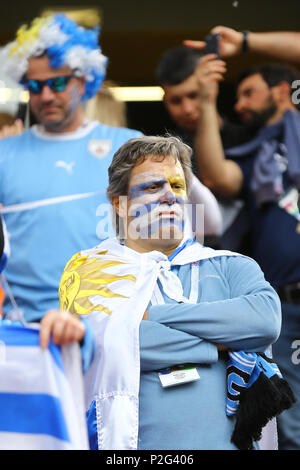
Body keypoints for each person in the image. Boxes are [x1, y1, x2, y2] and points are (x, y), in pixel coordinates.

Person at [57, 135, 294, 451]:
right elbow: (105, 344)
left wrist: (149, 316)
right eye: (153, 187)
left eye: (177, 186)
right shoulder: (90, 268)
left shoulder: (232, 264)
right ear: (119, 202)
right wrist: (218, 344)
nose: (169, 196)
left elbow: (265, 323)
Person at [183, 44, 300, 450]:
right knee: (291, 421)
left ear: (283, 91)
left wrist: (246, 39)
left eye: (248, 92)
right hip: (287, 305)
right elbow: (215, 176)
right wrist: (208, 101)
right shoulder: (260, 151)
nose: (241, 104)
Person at [0, 14, 142, 324]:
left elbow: (188, 223)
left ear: (83, 80)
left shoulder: (128, 145)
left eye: (58, 82)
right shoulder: (4, 152)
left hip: (112, 324)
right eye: (35, 86)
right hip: (26, 327)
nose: (46, 95)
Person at [156, 46, 253, 249]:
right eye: (176, 100)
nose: (188, 109)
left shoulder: (249, 135)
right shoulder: (165, 153)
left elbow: (220, 183)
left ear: (211, 88)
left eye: (194, 95)